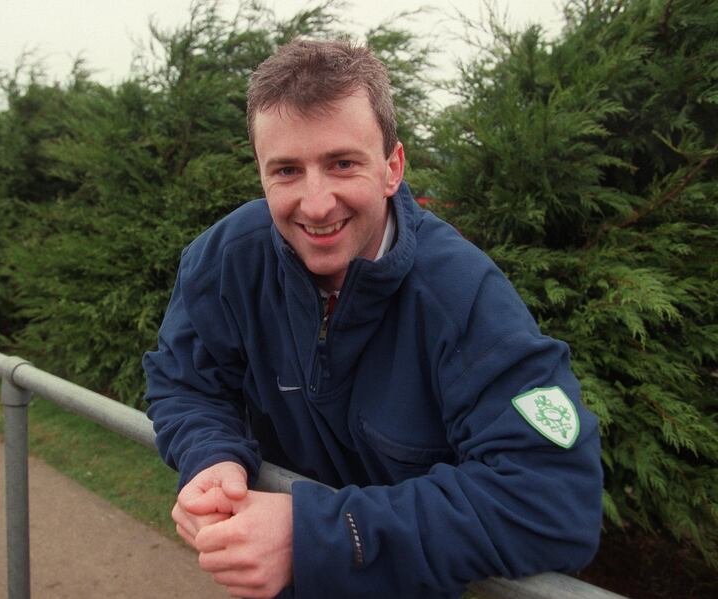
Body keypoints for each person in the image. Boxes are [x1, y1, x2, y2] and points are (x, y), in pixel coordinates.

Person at [143, 39, 602, 599]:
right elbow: (185, 381)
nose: (315, 204)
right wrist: (208, 456)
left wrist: (317, 535)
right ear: (261, 174)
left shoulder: (463, 296)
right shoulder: (225, 259)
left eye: (342, 163)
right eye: (287, 170)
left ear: (392, 168)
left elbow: (552, 499)